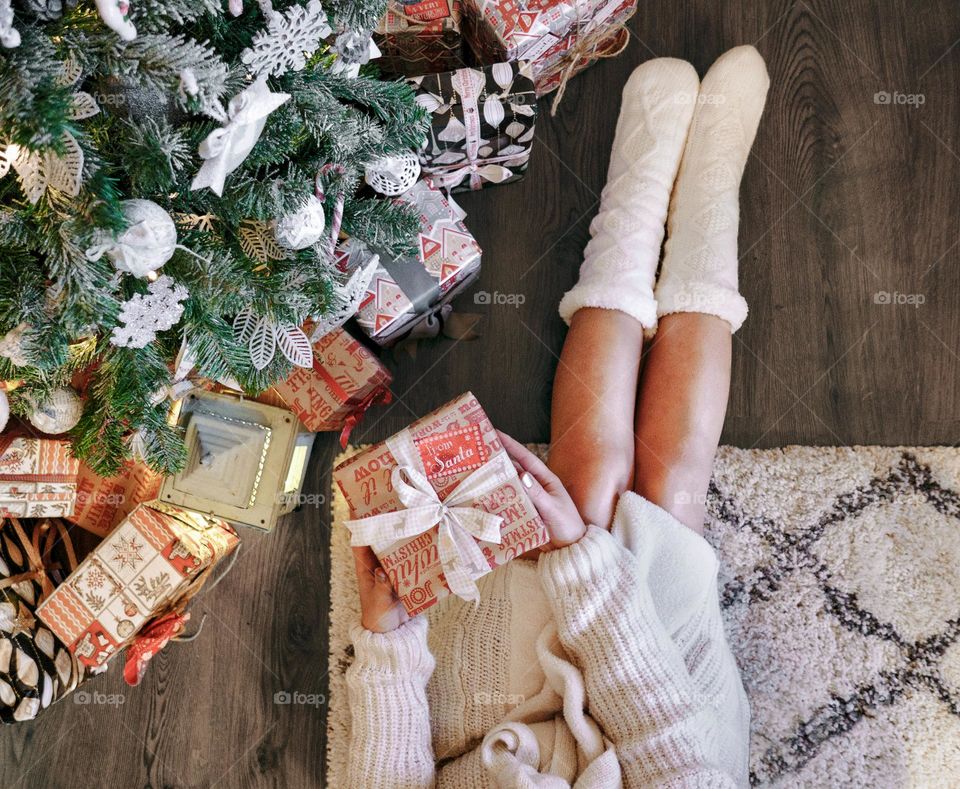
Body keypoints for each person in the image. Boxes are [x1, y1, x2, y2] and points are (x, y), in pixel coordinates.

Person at [346, 45, 770, 787]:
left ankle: (632, 214)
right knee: (668, 498)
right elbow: (670, 738)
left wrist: (387, 644)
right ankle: (710, 201)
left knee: (589, 479)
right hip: (676, 747)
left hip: (504, 729)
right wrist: (583, 562)